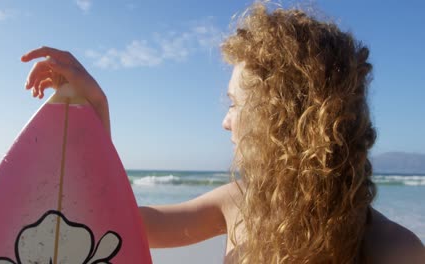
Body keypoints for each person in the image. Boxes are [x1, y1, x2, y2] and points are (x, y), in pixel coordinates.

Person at [21, 2, 424, 263]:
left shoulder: (394, 252)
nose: (225, 121)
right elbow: (119, 224)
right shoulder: (238, 202)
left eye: (234, 104)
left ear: (280, 121)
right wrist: (95, 116)